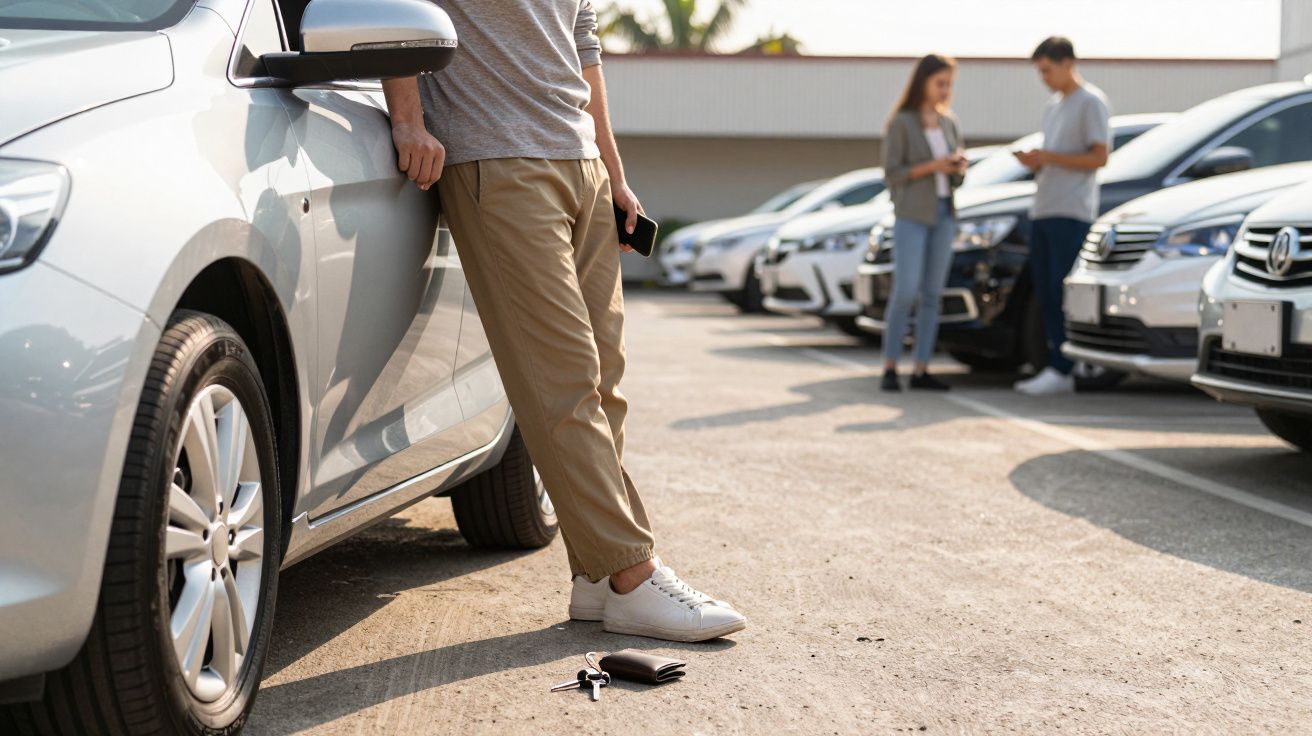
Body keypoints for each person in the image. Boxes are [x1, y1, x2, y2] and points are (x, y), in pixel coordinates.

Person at [379, 1, 746, 643]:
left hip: (583, 166)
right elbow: (394, 7)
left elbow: (583, 42)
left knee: (605, 384)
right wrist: (408, 119)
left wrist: (614, 172)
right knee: (562, 382)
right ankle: (632, 573)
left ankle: (596, 577)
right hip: (496, 158)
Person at [1013, 36, 1111, 396]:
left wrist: (1050, 157)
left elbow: (1099, 157)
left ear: (1068, 63)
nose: (1043, 78)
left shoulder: (1091, 102)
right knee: (1045, 290)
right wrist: (1037, 161)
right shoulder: (1053, 106)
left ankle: (1065, 366)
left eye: (1047, 70)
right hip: (1044, 207)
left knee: (1061, 289)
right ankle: (1056, 365)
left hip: (1071, 211)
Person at [879, 54, 968, 393]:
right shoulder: (902, 122)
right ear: (923, 82)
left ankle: (921, 368)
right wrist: (934, 166)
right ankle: (890, 366)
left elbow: (955, 177)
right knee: (905, 291)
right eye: (940, 83)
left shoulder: (949, 122)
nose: (945, 90)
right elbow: (892, 174)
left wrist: (957, 167)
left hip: (944, 213)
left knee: (932, 294)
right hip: (912, 215)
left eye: (949, 84)